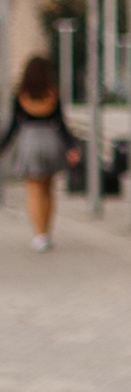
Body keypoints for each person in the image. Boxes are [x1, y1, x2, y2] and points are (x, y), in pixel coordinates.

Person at [0, 56, 71, 252]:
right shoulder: (53, 95)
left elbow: (13, 126)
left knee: (33, 190)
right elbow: (62, 125)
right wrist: (71, 147)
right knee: (49, 190)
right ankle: (47, 232)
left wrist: (3, 148)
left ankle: (39, 235)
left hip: (29, 142)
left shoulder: (21, 96)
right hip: (51, 141)